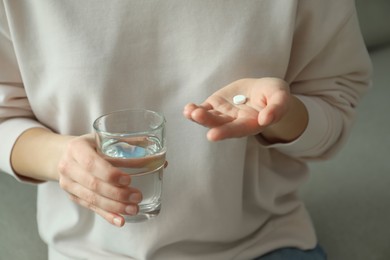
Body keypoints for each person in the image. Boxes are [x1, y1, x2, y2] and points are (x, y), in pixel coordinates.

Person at [0, 1, 372, 259]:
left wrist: (279, 116)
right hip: (90, 254)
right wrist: (61, 158)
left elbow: (335, 103)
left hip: (260, 246)